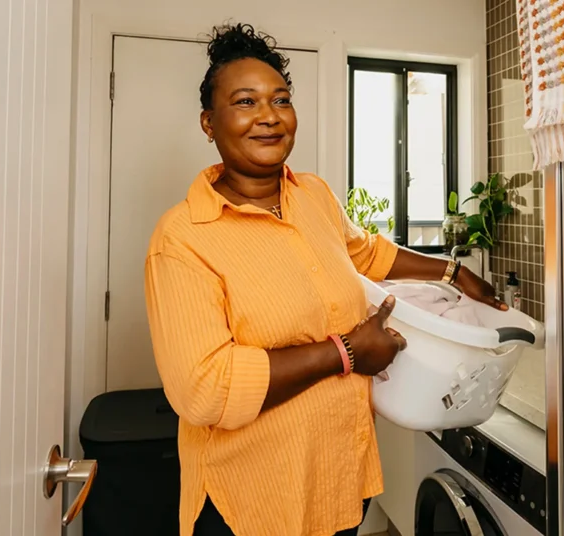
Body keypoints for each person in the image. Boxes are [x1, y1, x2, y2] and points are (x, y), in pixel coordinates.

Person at [144, 23, 505, 536]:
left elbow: (368, 252)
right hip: (249, 503)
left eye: (281, 100)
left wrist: (453, 271)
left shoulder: (313, 196)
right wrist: (348, 353)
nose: (269, 116)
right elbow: (205, 389)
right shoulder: (182, 238)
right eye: (246, 101)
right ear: (208, 122)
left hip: (337, 482)